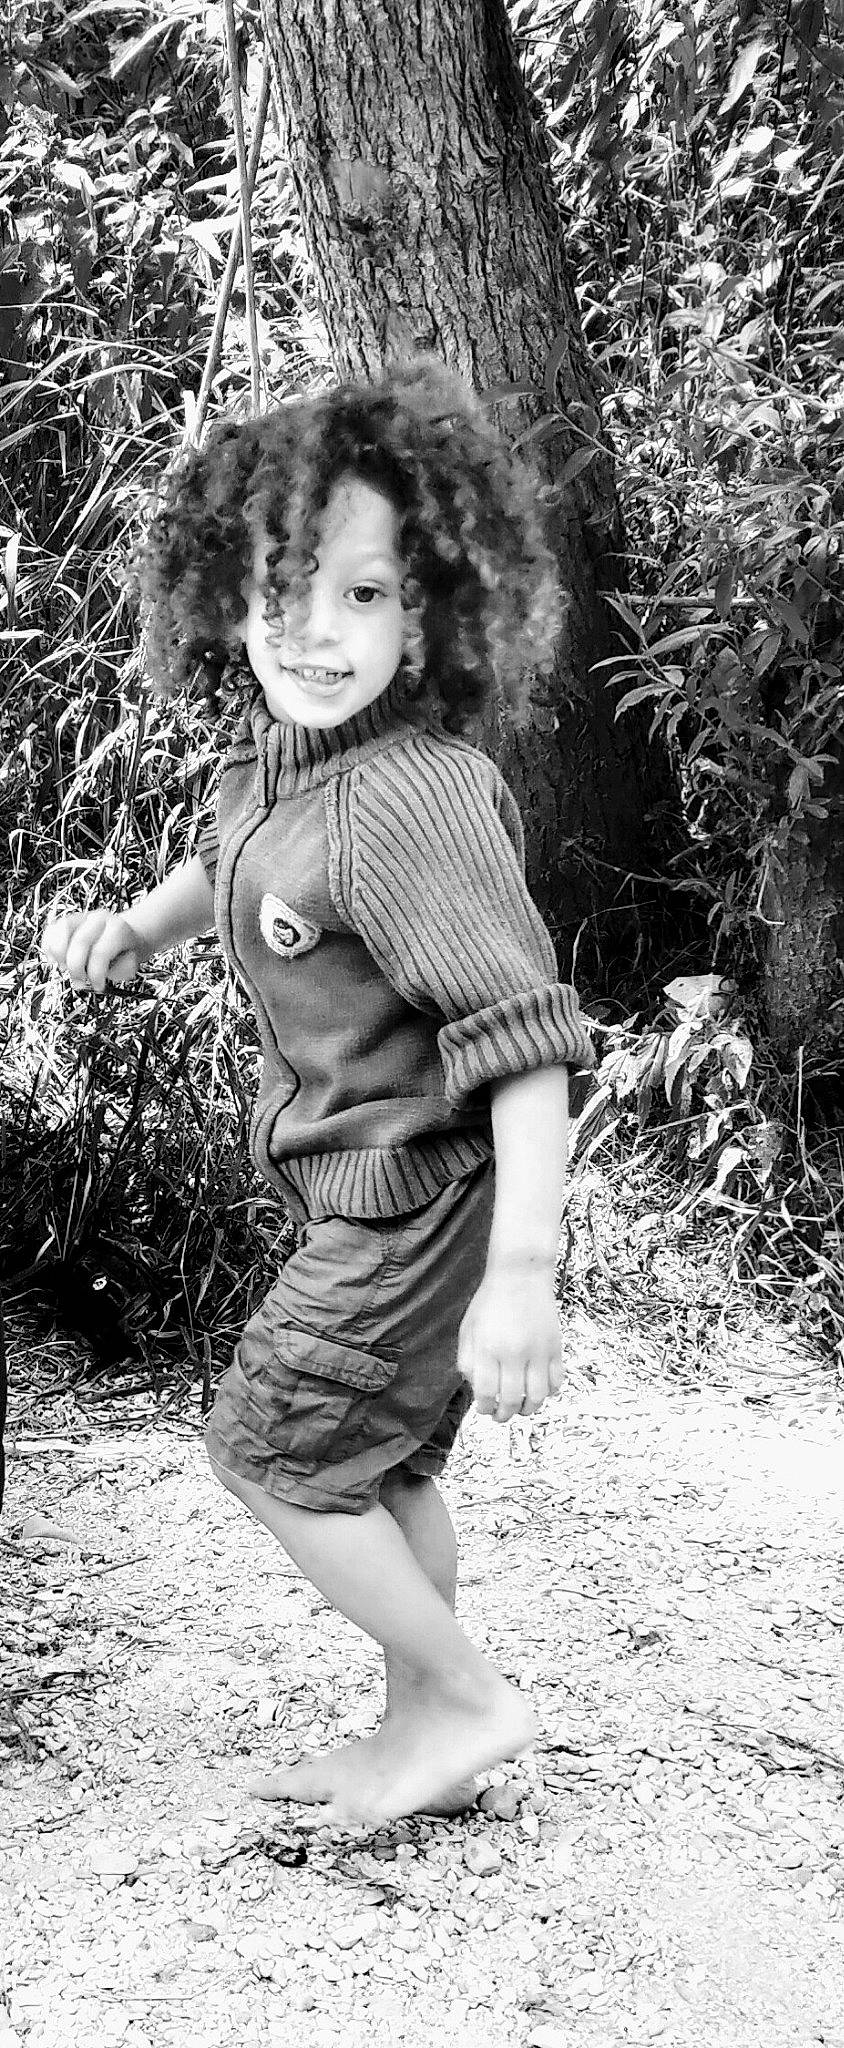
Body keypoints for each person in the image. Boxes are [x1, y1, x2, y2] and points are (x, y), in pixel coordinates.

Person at [42, 355, 595, 1828]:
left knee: (276, 1446)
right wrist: (132, 934)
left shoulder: (407, 798)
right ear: (227, 591)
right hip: (371, 1187)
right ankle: (429, 1719)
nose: (318, 626)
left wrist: (524, 1275)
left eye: (365, 593)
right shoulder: (277, 765)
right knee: (385, 1461)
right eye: (287, 582)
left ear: (427, 615)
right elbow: (227, 869)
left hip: (424, 1199)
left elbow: (528, 1040)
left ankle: (470, 1696)